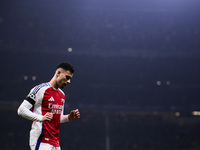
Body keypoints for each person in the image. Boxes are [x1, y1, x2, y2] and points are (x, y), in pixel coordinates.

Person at [17, 62, 80, 150]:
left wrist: (68, 117)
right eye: (67, 77)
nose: (69, 81)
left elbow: (57, 118)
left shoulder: (62, 94)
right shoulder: (40, 89)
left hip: (55, 142)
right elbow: (21, 110)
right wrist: (41, 118)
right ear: (58, 73)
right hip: (41, 140)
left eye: (70, 79)